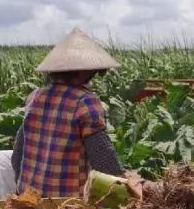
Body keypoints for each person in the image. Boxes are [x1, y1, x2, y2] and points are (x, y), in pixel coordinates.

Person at [12, 27, 124, 198]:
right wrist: (125, 182)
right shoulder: (84, 102)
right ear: (83, 71)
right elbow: (105, 163)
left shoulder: (35, 97)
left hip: (27, 200)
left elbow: (17, 157)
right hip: (65, 206)